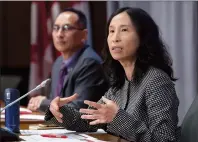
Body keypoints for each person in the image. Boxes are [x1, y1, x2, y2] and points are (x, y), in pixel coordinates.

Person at [44, 7, 181, 142]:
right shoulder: (119, 83)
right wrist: (58, 110)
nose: (115, 38)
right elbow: (86, 121)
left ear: (143, 36)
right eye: (111, 31)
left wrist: (116, 117)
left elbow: (164, 139)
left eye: (124, 30)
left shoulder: (156, 80)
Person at [27, 8, 109, 112]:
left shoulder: (90, 63)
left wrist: (43, 103)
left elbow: (79, 108)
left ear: (84, 34)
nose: (59, 34)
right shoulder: (58, 63)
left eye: (67, 28)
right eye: (56, 28)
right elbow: (55, 100)